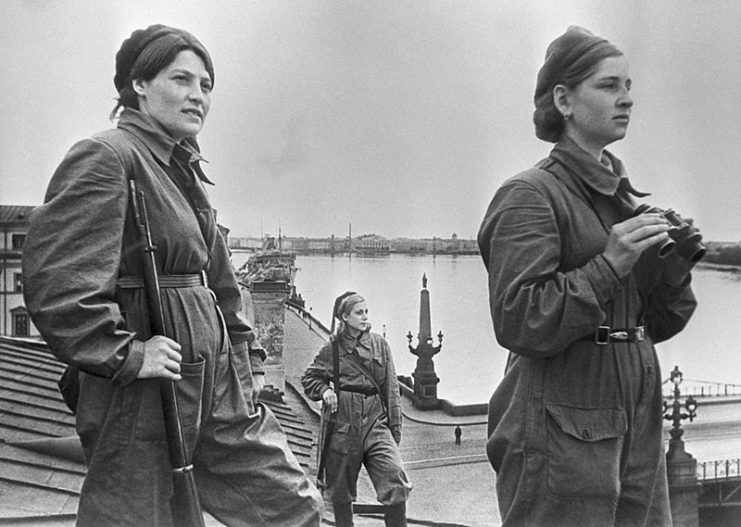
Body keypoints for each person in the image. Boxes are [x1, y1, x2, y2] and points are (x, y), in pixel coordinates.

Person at [22, 24, 322, 526]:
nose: (198, 96)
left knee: (292, 508)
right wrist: (127, 354)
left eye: (206, 85)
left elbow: (220, 282)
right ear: (139, 84)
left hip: (215, 386)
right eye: (182, 79)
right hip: (143, 395)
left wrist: (240, 365)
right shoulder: (108, 157)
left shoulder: (181, 169)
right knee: (139, 517)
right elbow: (57, 284)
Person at [477, 27, 698, 527]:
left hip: (636, 424)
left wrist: (673, 273)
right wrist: (609, 264)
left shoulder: (621, 202)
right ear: (564, 99)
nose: (627, 99)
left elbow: (656, 325)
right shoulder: (529, 195)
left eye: (629, 86)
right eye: (609, 86)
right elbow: (519, 320)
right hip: (558, 429)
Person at [301, 292, 412, 527]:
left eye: (366, 312)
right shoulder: (331, 349)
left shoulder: (379, 344)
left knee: (395, 478)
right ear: (344, 316)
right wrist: (325, 391)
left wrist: (395, 429)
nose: (365, 317)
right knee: (341, 490)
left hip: (375, 421)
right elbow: (309, 378)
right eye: (359, 312)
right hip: (344, 423)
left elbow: (391, 389)